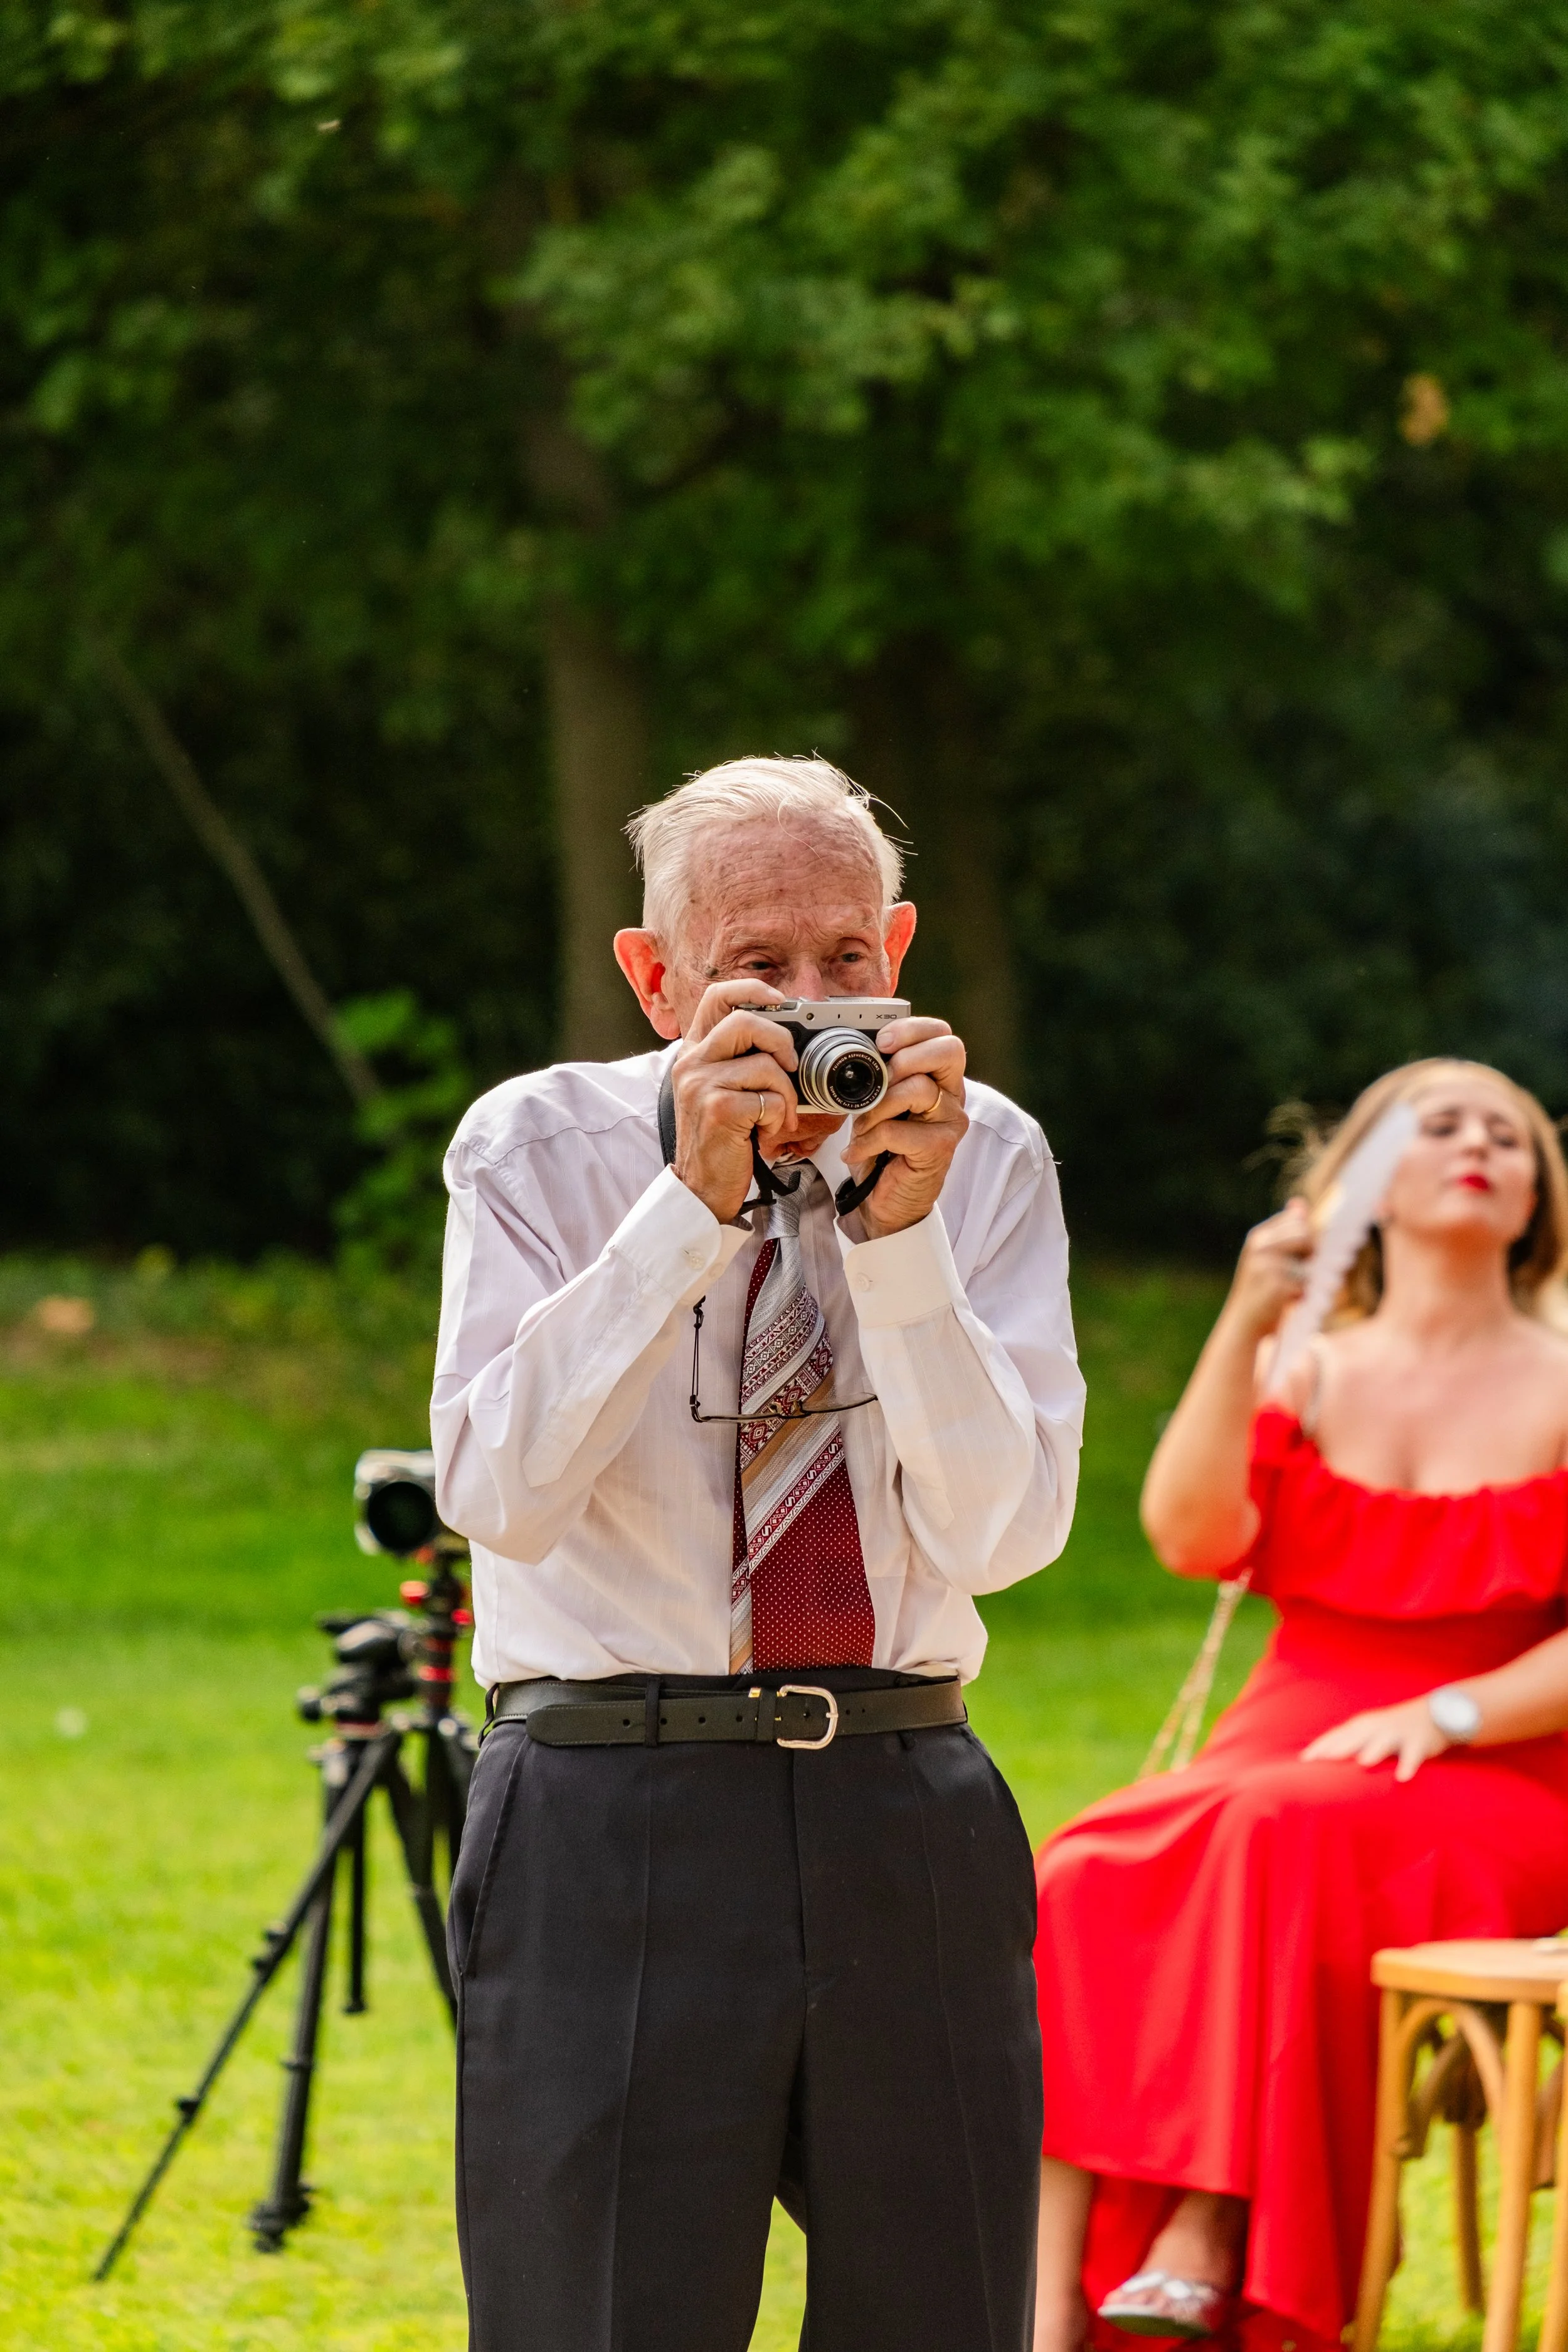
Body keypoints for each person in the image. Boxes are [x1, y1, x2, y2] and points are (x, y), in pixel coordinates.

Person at [432, 756, 1085, 2352]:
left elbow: (1007, 1532)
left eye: (843, 961)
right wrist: (680, 1215)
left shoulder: (982, 1154)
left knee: (939, 2311)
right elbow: (496, 1491)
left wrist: (904, 1246)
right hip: (613, 1800)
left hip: (900, 1793)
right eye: (753, 967)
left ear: (899, 949)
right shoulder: (533, 1147)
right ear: (654, 983)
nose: (807, 1005)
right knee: (603, 2315)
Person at [1030, 1057, 1568, 2352]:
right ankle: (1040, 2304)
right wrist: (1241, 1324)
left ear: (1536, 1199)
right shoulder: (1305, 1371)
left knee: (1275, 1834)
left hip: (1505, 1763)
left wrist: (1447, 1717)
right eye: (1434, 1125)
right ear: (1362, 1185)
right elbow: (1186, 1533)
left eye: (1506, 1132)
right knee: (1076, 1877)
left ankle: (1208, 2234)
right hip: (1290, 1735)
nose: (1476, 1144)